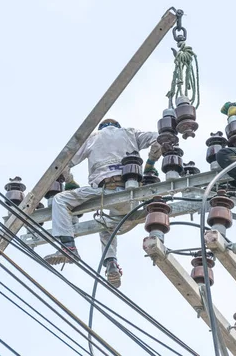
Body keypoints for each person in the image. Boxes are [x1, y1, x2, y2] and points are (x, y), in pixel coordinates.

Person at [44, 118, 162, 288]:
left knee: (60, 200)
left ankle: (68, 247)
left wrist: (70, 180)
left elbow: (63, 163)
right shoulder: (130, 132)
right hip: (132, 191)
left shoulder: (93, 137)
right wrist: (150, 162)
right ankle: (111, 263)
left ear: (102, 126)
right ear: (117, 126)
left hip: (103, 191)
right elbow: (160, 139)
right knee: (105, 224)